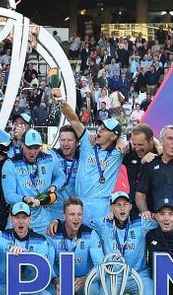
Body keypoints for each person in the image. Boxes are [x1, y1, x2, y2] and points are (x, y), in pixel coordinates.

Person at [57, 92, 129, 231]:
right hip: (79, 204)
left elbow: (144, 141)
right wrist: (61, 100)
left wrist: (123, 141)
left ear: (113, 136)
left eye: (104, 129)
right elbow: (73, 119)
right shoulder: (88, 141)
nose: (99, 130)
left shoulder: (118, 152)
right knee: (78, 241)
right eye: (100, 127)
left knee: (100, 242)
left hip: (101, 206)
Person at [1, 130, 64, 236]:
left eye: (36, 148)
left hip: (42, 221)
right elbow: (9, 196)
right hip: (19, 219)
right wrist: (25, 199)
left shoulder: (49, 158)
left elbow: (61, 176)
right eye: (29, 148)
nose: (33, 152)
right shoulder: (10, 164)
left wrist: (53, 187)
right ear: (22, 145)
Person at [48, 197, 101, 295]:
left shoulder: (91, 234)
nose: (76, 218)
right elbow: (48, 264)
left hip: (82, 281)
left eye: (79, 214)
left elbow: (100, 265)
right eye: (72, 214)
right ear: (64, 216)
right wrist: (55, 281)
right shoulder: (53, 234)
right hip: (60, 281)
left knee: (92, 290)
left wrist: (86, 279)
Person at [119, 123, 157, 221]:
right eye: (134, 144)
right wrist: (119, 141)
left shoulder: (160, 156)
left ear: (151, 140)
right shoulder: (129, 155)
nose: (137, 148)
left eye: (141, 145)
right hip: (131, 213)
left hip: (153, 213)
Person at [45, 125, 80, 225]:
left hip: (72, 213)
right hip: (51, 212)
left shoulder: (83, 158)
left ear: (77, 142)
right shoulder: (51, 156)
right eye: (63, 140)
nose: (65, 144)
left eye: (69, 140)